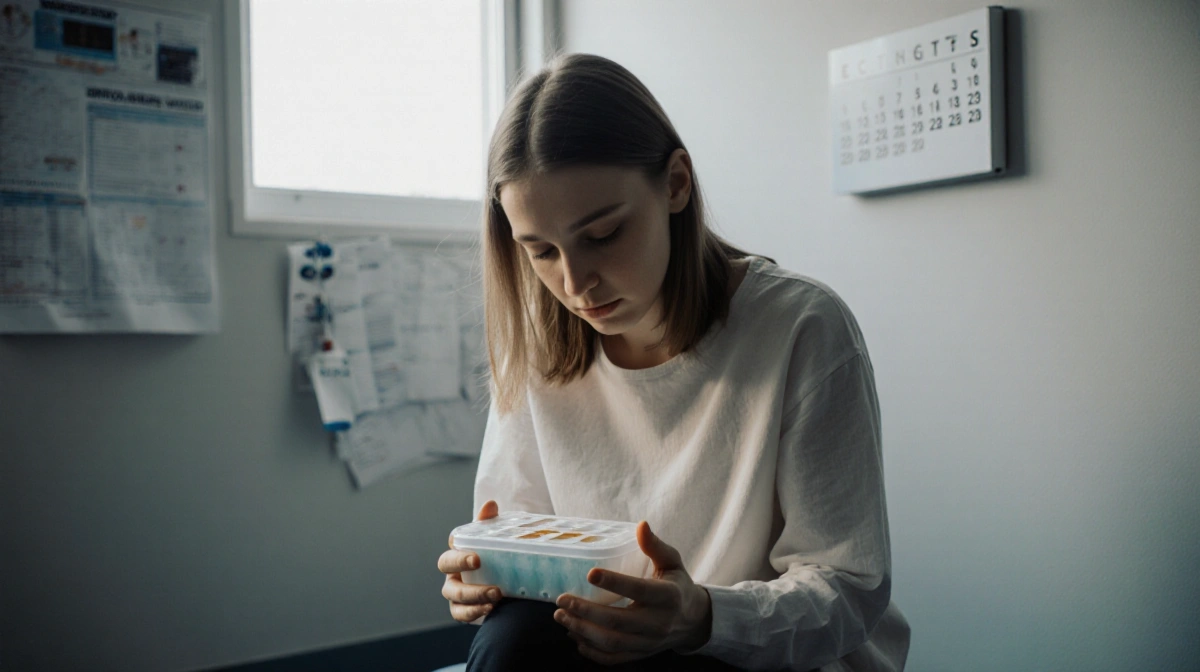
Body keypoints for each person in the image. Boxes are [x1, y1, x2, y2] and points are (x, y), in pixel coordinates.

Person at [437, 53, 911, 671]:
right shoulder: (541, 344)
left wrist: (702, 616)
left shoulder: (801, 328)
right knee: (511, 638)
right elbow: (517, 534)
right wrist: (481, 579)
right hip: (614, 648)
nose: (576, 283)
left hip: (762, 654)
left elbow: (847, 589)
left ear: (676, 184)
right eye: (541, 252)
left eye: (603, 235)